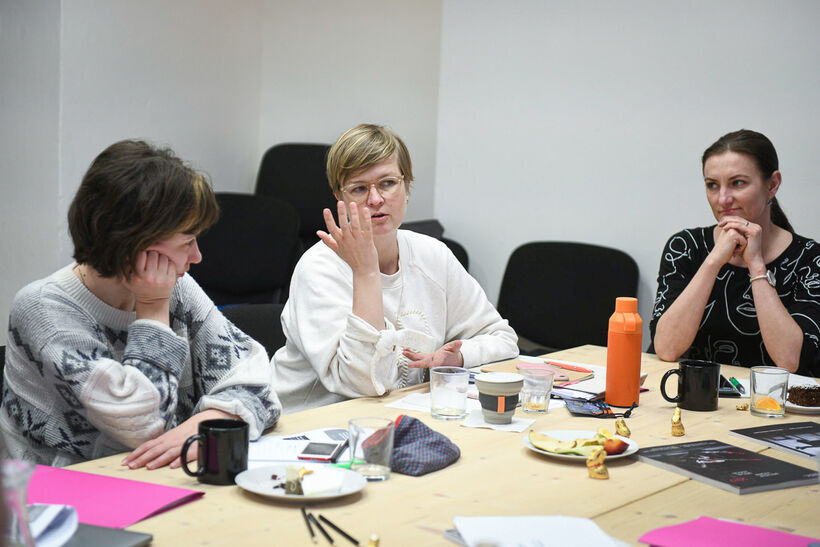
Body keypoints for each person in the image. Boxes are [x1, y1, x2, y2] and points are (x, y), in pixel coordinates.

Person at [0, 140, 281, 468]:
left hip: (155, 479)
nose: (197, 257)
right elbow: (143, 427)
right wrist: (152, 312)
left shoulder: (176, 288)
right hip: (61, 497)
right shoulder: (43, 311)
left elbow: (258, 379)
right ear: (133, 243)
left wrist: (203, 424)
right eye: (187, 242)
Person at [273, 124, 518, 413]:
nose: (376, 199)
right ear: (340, 198)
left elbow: (503, 339)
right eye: (359, 188)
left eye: (388, 183)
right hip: (310, 427)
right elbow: (362, 385)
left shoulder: (433, 254)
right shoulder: (319, 268)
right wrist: (366, 273)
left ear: (407, 186)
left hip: (401, 417)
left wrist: (458, 357)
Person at [650, 129, 820, 376]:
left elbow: (793, 361)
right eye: (712, 185)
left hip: (772, 407)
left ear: (772, 185)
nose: (723, 199)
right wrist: (714, 261)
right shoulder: (685, 246)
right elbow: (666, 348)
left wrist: (757, 266)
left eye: (738, 183)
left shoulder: (810, 259)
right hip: (697, 402)